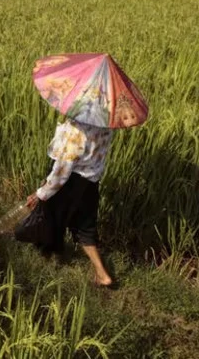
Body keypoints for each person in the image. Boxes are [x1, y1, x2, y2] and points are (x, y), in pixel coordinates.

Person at [24, 117, 117, 288]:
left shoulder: (76, 130)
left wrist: (40, 193)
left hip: (71, 182)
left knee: (50, 218)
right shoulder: (105, 124)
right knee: (85, 227)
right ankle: (102, 274)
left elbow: (62, 171)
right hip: (90, 182)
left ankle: (45, 259)